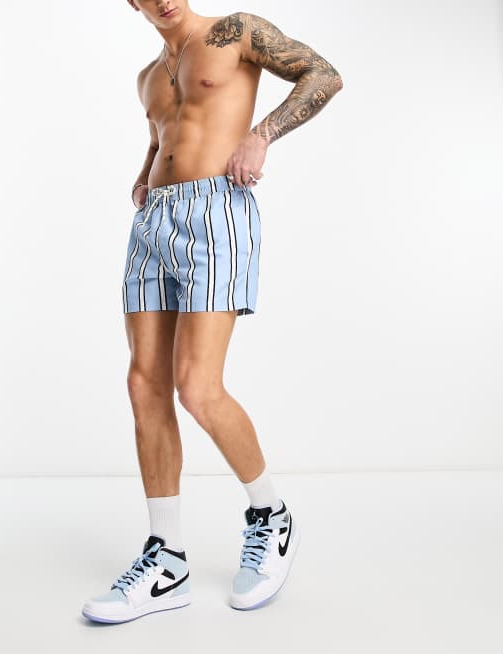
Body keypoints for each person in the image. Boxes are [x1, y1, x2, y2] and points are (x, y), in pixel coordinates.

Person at [82, 0, 343, 623]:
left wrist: (261, 135)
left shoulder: (236, 32)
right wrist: (144, 175)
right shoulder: (149, 75)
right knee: (144, 384)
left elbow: (324, 74)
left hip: (216, 212)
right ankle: (166, 558)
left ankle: (270, 514)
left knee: (197, 388)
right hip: (153, 223)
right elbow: (162, 135)